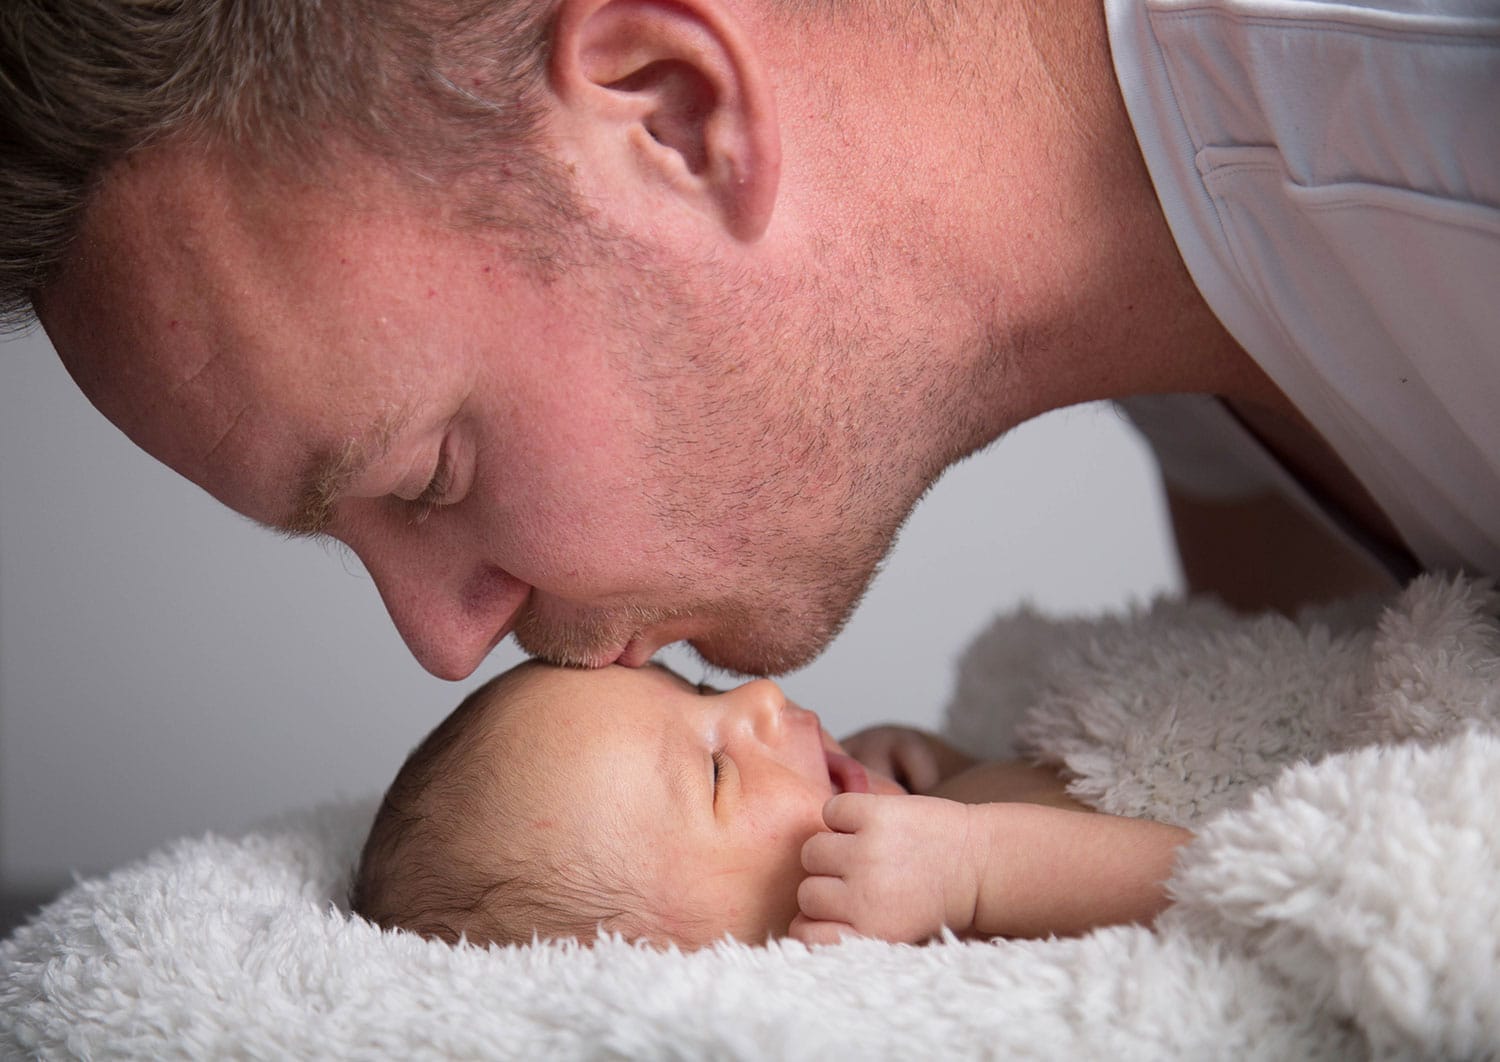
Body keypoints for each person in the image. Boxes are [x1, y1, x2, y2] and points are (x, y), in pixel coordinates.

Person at [3, 0, 1496, 679]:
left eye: (427, 473)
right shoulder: (1194, 359)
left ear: (673, 111)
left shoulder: (1449, 106)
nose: (444, 643)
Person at [350, 660, 1191, 947]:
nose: (760, 694)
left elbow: (1090, 785)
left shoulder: (931, 826)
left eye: (705, 687)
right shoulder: (938, 972)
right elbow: (1223, 885)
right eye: (716, 770)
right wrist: (972, 868)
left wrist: (953, 772)